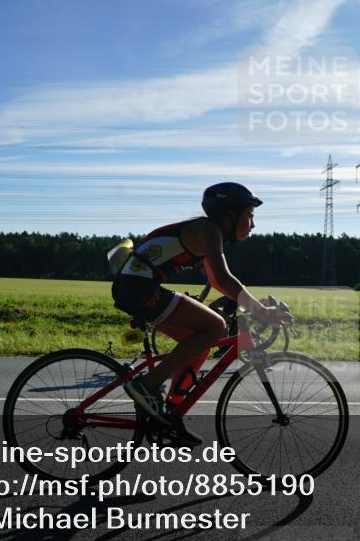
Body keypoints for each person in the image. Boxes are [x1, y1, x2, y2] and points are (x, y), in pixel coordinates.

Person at [112, 182, 292, 445]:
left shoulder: (206, 232)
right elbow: (223, 278)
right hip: (138, 287)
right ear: (229, 215)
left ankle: (171, 416)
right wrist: (262, 311)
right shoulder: (208, 230)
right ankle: (146, 386)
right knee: (216, 327)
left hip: (135, 286)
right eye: (250, 216)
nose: (253, 225)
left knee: (201, 343)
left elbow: (216, 283)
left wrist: (253, 303)